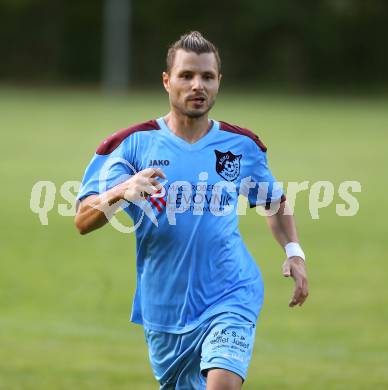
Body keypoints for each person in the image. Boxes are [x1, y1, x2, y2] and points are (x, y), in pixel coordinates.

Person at [75, 31, 308, 390]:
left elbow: (272, 202)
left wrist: (294, 253)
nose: (197, 85)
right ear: (167, 81)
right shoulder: (132, 144)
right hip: (164, 310)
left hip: (232, 292)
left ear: (218, 82)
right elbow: (82, 219)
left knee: (222, 385)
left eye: (207, 77)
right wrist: (122, 191)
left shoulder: (240, 145)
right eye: (186, 76)